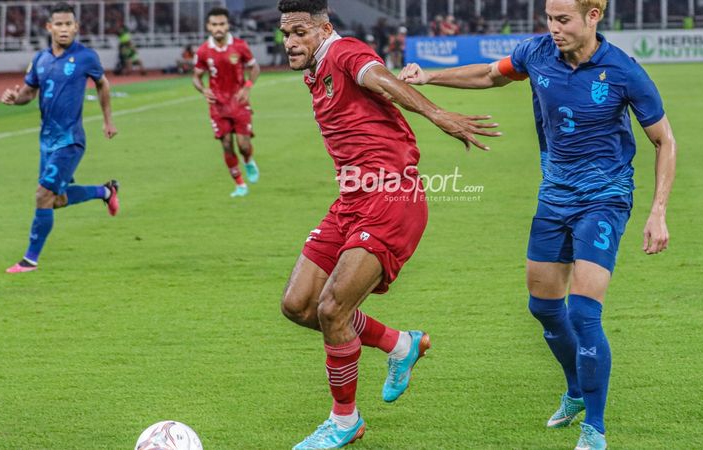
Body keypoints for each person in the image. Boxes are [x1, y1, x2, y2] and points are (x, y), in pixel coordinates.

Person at [398, 0, 677, 448]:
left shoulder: (624, 71)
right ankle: (574, 391)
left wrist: (658, 211)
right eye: (549, 18)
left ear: (593, 16)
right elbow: (491, 73)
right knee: (544, 307)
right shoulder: (537, 53)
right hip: (554, 196)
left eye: (562, 20)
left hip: (604, 199)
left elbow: (664, 140)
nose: (553, 28)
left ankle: (595, 428)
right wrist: (428, 75)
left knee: (585, 314)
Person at [276, 0, 500, 448]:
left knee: (332, 309)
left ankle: (345, 421)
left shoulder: (344, 53)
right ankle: (400, 344)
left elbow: (377, 77)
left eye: (300, 31)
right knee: (299, 305)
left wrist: (438, 114)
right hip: (351, 199)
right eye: (285, 34)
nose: (290, 42)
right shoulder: (316, 69)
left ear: (324, 27)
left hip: (391, 197)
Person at [2, 2, 120, 274]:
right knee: (58, 199)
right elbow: (28, 94)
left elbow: (102, 83)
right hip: (47, 141)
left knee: (43, 195)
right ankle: (106, 191)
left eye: (69, 24)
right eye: (59, 24)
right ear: (49, 27)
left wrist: (107, 120)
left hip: (70, 140)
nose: (64, 29)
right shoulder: (40, 60)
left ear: (76, 27)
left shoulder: (86, 57)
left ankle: (30, 260)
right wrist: (14, 98)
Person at [192, 7, 261, 198]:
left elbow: (254, 68)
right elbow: (196, 77)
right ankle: (240, 184)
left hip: (239, 102)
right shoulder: (204, 51)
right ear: (208, 26)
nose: (218, 28)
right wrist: (203, 89)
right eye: (214, 24)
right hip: (218, 105)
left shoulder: (239, 46)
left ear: (228, 24)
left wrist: (247, 87)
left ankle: (248, 160)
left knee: (243, 145)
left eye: (222, 24)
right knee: (227, 145)